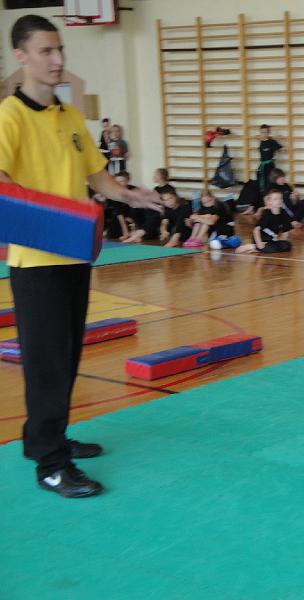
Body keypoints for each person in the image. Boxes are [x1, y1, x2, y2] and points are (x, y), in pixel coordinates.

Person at [0, 15, 162, 497]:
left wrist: (132, 195)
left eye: (60, 49)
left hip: (74, 253)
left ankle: (47, 437)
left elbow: (97, 176)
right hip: (36, 261)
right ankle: (51, 464)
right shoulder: (9, 116)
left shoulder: (70, 117)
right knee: (47, 361)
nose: (58, 59)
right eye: (46, 51)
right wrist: (41, 217)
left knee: (67, 353)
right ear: (21, 56)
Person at [236, 189, 294, 254]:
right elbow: (256, 230)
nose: (279, 201)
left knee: (287, 245)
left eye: (280, 198)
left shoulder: (284, 213)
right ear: (269, 202)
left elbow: (286, 230)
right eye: (275, 199)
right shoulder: (267, 214)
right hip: (261, 238)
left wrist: (282, 241)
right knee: (272, 247)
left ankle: (258, 249)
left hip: (272, 240)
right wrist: (259, 243)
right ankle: (253, 246)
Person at [121, 171, 163, 243]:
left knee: (152, 214)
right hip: (148, 212)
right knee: (136, 210)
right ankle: (140, 233)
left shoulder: (165, 190)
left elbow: (158, 204)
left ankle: (140, 233)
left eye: (122, 181)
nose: (153, 176)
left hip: (156, 212)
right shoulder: (155, 189)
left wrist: (159, 208)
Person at [256, 124, 282, 196]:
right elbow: (257, 137)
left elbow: (281, 148)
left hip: (269, 165)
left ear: (269, 132)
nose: (264, 134)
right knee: (260, 182)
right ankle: (262, 197)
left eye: (266, 132)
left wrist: (279, 138)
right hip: (262, 165)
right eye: (262, 132)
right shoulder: (261, 141)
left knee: (270, 182)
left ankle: (270, 197)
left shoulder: (272, 142)